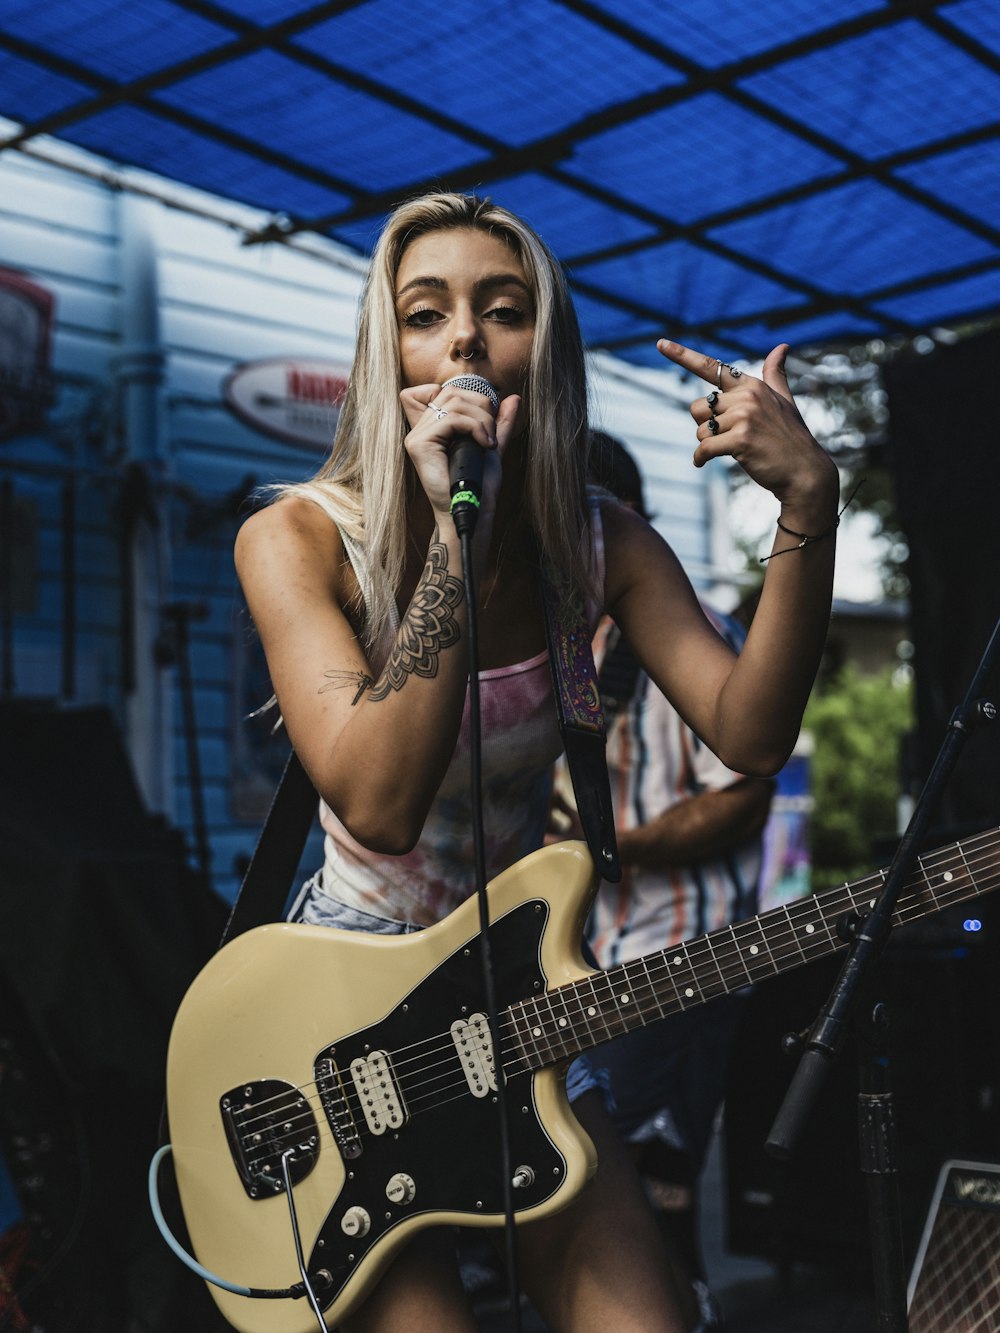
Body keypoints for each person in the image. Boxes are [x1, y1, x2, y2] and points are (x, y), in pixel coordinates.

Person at [234, 191, 839, 1333]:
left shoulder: (597, 541)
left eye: (500, 310)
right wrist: (457, 527)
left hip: (524, 997)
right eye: (427, 312)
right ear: (388, 348)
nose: (464, 335)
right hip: (348, 1028)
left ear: (541, 352)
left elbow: (750, 733)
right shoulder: (298, 538)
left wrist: (808, 502)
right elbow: (377, 798)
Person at [570, 432, 775, 1329]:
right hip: (601, 953)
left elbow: (744, 797)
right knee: (651, 1177)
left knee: (612, 1169)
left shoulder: (684, 628)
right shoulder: (570, 644)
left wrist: (615, 849)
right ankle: (687, 1301)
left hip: (685, 952)